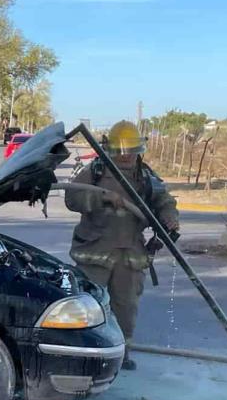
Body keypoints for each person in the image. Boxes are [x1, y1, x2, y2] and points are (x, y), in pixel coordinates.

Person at [64, 122, 179, 371]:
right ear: (110, 148)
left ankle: (121, 354)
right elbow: (72, 197)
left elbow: (164, 200)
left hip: (130, 256)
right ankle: (82, 353)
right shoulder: (94, 172)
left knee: (126, 308)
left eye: (131, 150)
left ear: (140, 149)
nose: (126, 155)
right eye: (120, 150)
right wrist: (101, 197)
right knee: (88, 305)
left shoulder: (146, 177)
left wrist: (169, 216)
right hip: (94, 254)